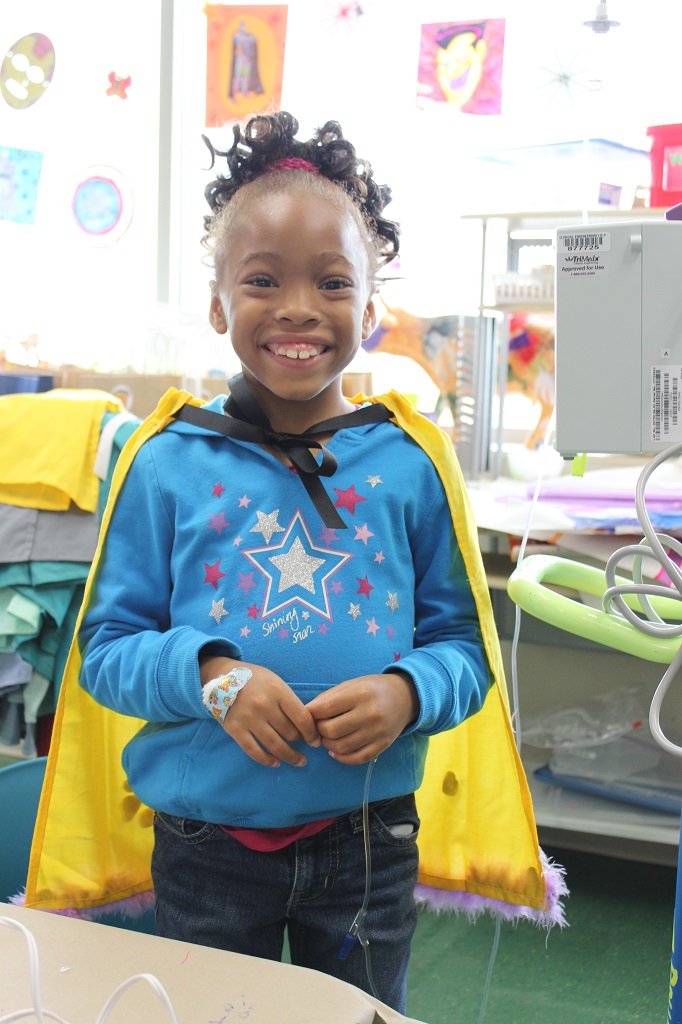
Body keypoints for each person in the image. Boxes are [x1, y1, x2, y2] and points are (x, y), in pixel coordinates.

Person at [77, 110, 492, 1013]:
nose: (299, 307)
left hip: (370, 842)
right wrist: (211, 676)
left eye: (332, 282)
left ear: (371, 311)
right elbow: (105, 649)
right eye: (263, 280)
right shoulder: (164, 462)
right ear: (221, 304)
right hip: (207, 846)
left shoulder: (410, 463)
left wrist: (409, 693)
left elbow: (466, 648)